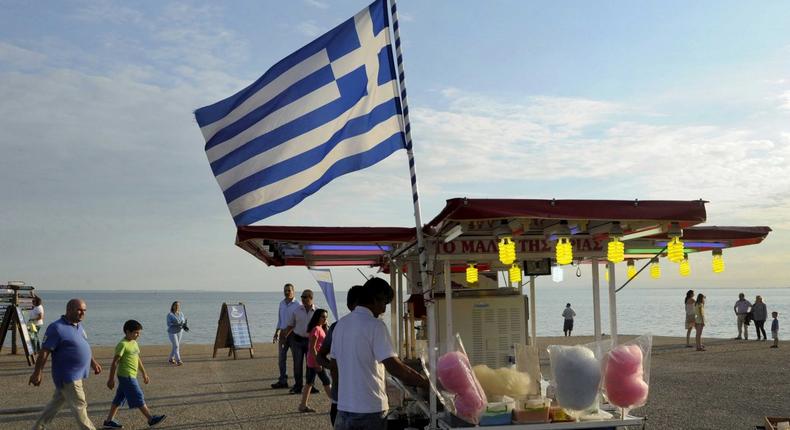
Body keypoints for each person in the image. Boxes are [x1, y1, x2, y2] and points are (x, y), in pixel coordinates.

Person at [331, 277, 429, 430]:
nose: (384, 310)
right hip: (370, 409)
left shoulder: (340, 324)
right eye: (384, 303)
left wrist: (341, 395)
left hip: (343, 409)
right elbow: (394, 367)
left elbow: (334, 365)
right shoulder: (376, 326)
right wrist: (424, 382)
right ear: (376, 299)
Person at [28, 298, 102, 430]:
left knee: (54, 406)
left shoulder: (78, 326)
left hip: (76, 375)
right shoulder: (56, 328)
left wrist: (93, 363)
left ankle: (38, 428)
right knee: (80, 405)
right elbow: (45, 351)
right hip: (68, 376)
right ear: (69, 309)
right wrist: (37, 372)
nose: (82, 313)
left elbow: (82, 346)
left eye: (84, 310)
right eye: (79, 310)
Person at [103, 320, 166, 429]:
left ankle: (108, 421)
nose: (138, 335)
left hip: (132, 375)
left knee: (119, 398)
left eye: (139, 333)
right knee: (138, 396)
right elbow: (115, 362)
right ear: (127, 331)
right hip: (126, 376)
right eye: (136, 332)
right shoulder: (122, 344)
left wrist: (144, 373)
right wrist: (110, 379)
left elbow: (137, 358)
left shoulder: (134, 343)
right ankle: (151, 419)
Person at [317, 285, 363, 426]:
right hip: (340, 400)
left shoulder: (373, 326)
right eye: (360, 305)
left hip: (365, 401)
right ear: (350, 306)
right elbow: (320, 356)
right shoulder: (337, 327)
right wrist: (334, 366)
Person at [284, 288, 317, 394]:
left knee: (310, 365)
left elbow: (323, 326)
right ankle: (298, 386)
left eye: (305, 297)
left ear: (311, 298)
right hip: (297, 340)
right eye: (302, 297)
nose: (302, 299)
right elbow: (290, 325)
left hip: (311, 342)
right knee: (297, 364)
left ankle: (310, 385)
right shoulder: (297, 311)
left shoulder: (317, 311)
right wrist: (284, 337)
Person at [299, 309, 332, 413]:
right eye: (322, 316)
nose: (324, 319)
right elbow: (312, 347)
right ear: (317, 317)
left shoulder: (321, 328)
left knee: (309, 383)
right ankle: (337, 405)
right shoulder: (316, 329)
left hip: (313, 360)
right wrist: (318, 363)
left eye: (326, 317)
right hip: (315, 360)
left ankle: (303, 405)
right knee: (326, 381)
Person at [272, 283, 299, 389]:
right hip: (283, 335)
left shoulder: (298, 305)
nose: (287, 292)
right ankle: (283, 380)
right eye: (285, 290)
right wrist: (276, 332)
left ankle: (298, 382)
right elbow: (280, 319)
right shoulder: (281, 304)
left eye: (289, 290)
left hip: (293, 334)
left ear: (293, 291)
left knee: (296, 359)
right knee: (281, 359)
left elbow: (298, 321)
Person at [167, 301, 186, 365]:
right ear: (173, 306)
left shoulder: (181, 313)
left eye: (178, 305)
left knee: (175, 346)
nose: (177, 306)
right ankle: (178, 360)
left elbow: (183, 322)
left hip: (180, 331)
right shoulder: (170, 314)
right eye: (175, 305)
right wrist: (177, 324)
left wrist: (184, 325)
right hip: (172, 332)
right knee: (176, 346)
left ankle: (170, 359)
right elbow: (169, 324)